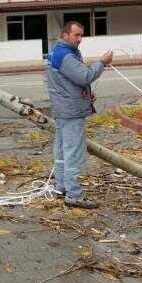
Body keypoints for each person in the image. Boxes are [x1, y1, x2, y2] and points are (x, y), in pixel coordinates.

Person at [47, 21, 113, 209]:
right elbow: (84, 76)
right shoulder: (65, 55)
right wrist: (102, 62)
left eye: (81, 35)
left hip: (63, 108)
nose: (80, 39)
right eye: (76, 35)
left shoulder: (57, 52)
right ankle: (74, 195)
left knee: (61, 148)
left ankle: (61, 187)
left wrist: (84, 93)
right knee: (73, 152)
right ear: (65, 34)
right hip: (71, 110)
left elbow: (67, 81)